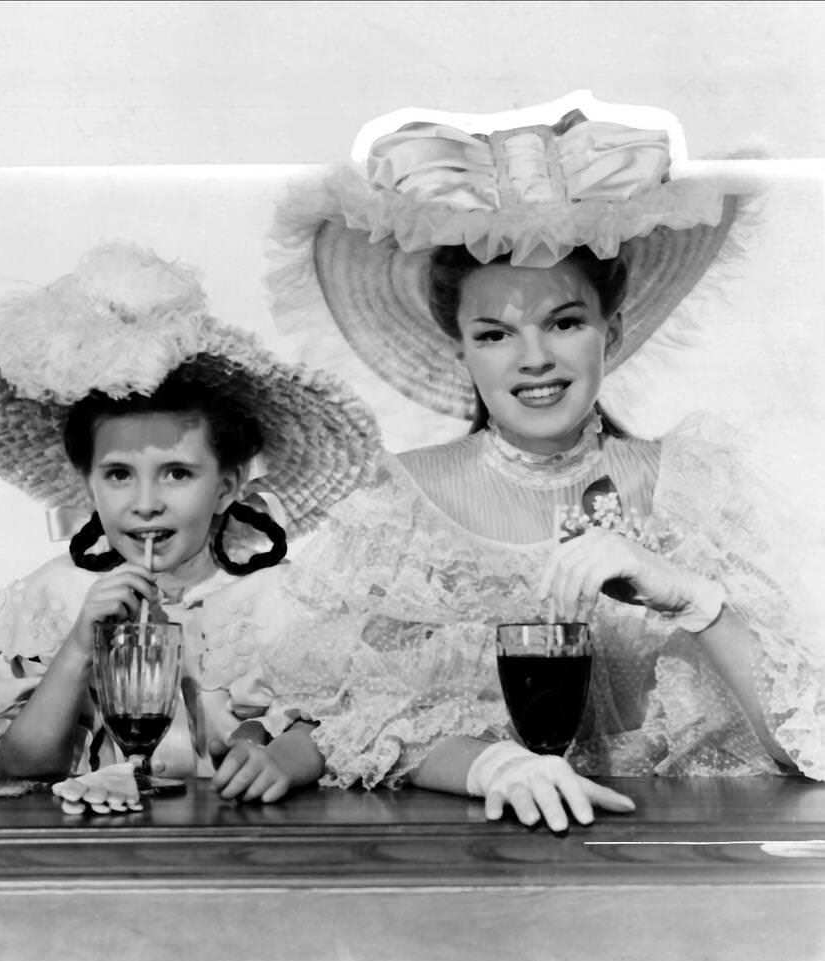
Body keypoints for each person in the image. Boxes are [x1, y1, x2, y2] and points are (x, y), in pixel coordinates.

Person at [262, 93, 825, 831]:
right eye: (495, 334)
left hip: (671, 873)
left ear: (610, 331)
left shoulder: (691, 486)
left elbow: (808, 743)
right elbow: (344, 724)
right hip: (469, 885)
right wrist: (488, 763)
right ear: (459, 349)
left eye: (564, 322)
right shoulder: (399, 502)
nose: (534, 360)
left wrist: (692, 597)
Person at [0, 243, 381, 812]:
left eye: (177, 473)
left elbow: (349, 724)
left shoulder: (287, 603)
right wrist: (80, 647)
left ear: (226, 486)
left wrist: (284, 753)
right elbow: (18, 770)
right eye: (120, 474)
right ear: (88, 486)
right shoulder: (48, 601)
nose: (146, 503)